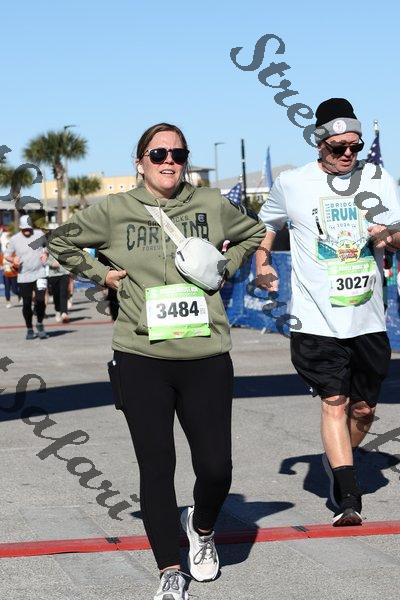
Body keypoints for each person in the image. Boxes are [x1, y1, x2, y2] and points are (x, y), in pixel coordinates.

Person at [48, 122, 265, 600]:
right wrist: (101, 274)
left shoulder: (209, 204)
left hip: (206, 354)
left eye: (178, 154)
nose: (169, 161)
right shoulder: (115, 211)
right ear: (140, 162)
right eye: (159, 153)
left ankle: (202, 529)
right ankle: (169, 567)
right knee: (156, 465)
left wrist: (226, 267)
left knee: (216, 467)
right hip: (141, 356)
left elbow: (254, 232)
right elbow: (59, 240)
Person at [256, 98, 400, 527]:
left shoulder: (377, 178)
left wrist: (388, 236)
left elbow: (398, 236)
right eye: (339, 148)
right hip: (315, 318)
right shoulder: (292, 183)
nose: (348, 155)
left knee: (363, 410)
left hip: (367, 317)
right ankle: (348, 494)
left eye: (355, 147)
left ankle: (339, 457)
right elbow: (269, 223)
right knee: (334, 401)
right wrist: (262, 259)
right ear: (319, 143)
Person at [4, 215, 49, 339]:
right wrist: (13, 259)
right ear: (20, 228)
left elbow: (48, 246)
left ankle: (39, 323)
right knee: (27, 303)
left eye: (29, 228)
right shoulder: (14, 239)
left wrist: (45, 253)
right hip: (24, 276)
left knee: (41, 301)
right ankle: (29, 328)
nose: (27, 231)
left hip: (40, 273)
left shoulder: (39, 234)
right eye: (24, 229)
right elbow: (7, 255)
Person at [0, 225, 21, 308]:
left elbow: (18, 264)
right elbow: (1, 264)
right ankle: (8, 302)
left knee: (15, 290)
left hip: (14, 274)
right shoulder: (2, 255)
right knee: (7, 289)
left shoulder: (14, 254)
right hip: (6, 274)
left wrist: (13, 265)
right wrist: (2, 267)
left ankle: (19, 295)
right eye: (7, 246)